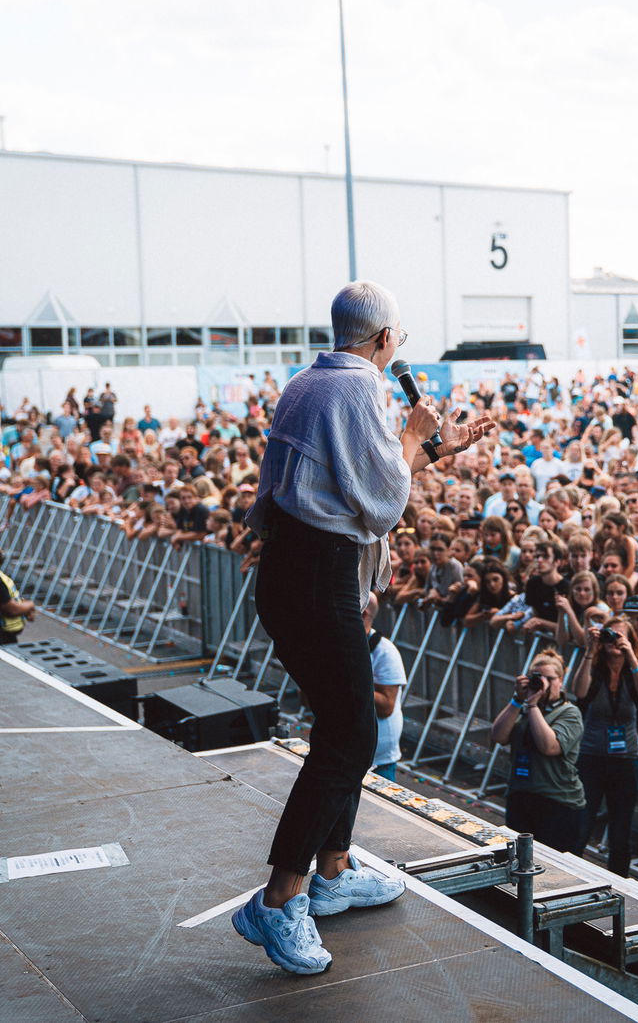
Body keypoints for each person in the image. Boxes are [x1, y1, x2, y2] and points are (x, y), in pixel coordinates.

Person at [232, 281, 493, 976]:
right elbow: (380, 502)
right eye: (399, 338)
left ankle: (335, 870)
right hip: (317, 579)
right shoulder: (358, 391)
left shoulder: (307, 384)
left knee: (342, 725)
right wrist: (413, 435)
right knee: (352, 732)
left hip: (295, 573)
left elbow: (358, 477)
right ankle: (281, 897)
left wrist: (433, 452)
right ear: (383, 341)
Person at [570, 619, 638, 875]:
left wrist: (630, 656)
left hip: (626, 759)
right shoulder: (594, 669)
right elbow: (579, 691)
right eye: (610, 636)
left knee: (621, 831)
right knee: (582, 824)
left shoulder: (636, 671)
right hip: (591, 756)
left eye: (619, 637)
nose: (613, 642)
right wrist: (589, 650)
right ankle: (569, 875)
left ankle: (619, 883)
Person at [489, 650, 586, 851]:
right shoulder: (522, 708)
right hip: (521, 796)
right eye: (538, 678)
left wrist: (532, 705)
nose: (544, 684)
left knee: (555, 873)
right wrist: (518, 699)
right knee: (518, 866)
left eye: (550, 679)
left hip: (558, 801)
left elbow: (549, 746)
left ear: (561, 680)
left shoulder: (569, 712)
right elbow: (498, 736)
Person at [364, 593, 405, 781]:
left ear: (364, 614)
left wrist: (349, 680)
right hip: (342, 750)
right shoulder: (334, 644)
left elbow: (386, 707)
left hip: (379, 761)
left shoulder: (384, 651)